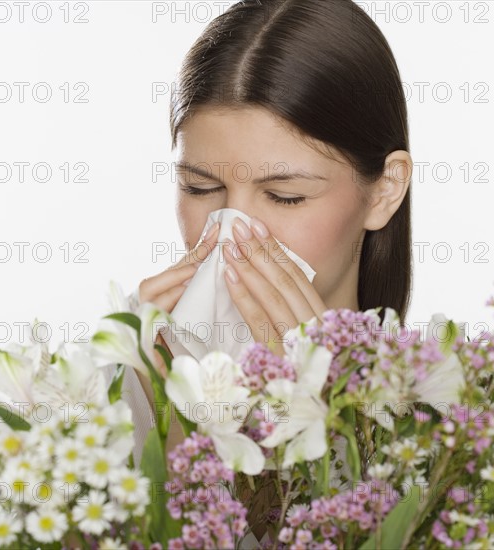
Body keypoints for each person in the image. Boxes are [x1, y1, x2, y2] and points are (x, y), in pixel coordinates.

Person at [119, 0, 413, 543]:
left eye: (285, 196)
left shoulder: (443, 426)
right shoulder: (125, 389)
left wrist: (326, 433)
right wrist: (167, 432)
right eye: (201, 188)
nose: (234, 231)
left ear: (385, 190)